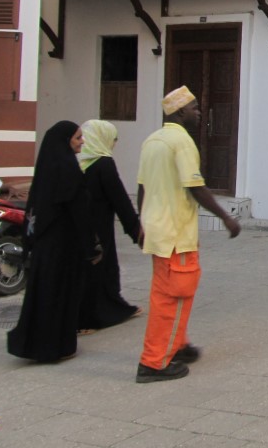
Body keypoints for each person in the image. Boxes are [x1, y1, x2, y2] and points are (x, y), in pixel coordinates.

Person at [135, 86, 241, 383]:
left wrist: (141, 222)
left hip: (158, 232)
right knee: (173, 298)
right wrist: (226, 217)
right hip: (175, 235)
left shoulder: (152, 140)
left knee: (168, 294)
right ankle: (154, 363)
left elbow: (142, 187)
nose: (199, 112)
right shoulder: (181, 142)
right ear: (180, 112)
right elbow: (195, 187)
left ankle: (177, 346)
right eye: (194, 107)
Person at [7, 121, 101, 363]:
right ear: (65, 141)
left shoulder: (47, 169)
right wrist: (91, 247)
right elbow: (80, 212)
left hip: (44, 245)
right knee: (60, 296)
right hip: (64, 247)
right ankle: (55, 347)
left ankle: (36, 345)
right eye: (78, 137)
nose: (82, 142)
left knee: (43, 294)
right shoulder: (68, 169)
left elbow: (34, 210)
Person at [77, 119, 143, 332]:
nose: (114, 144)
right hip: (99, 228)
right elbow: (119, 199)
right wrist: (136, 230)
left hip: (78, 227)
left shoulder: (76, 162)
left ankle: (82, 318)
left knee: (83, 272)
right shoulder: (104, 164)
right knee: (103, 270)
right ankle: (96, 318)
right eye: (113, 139)